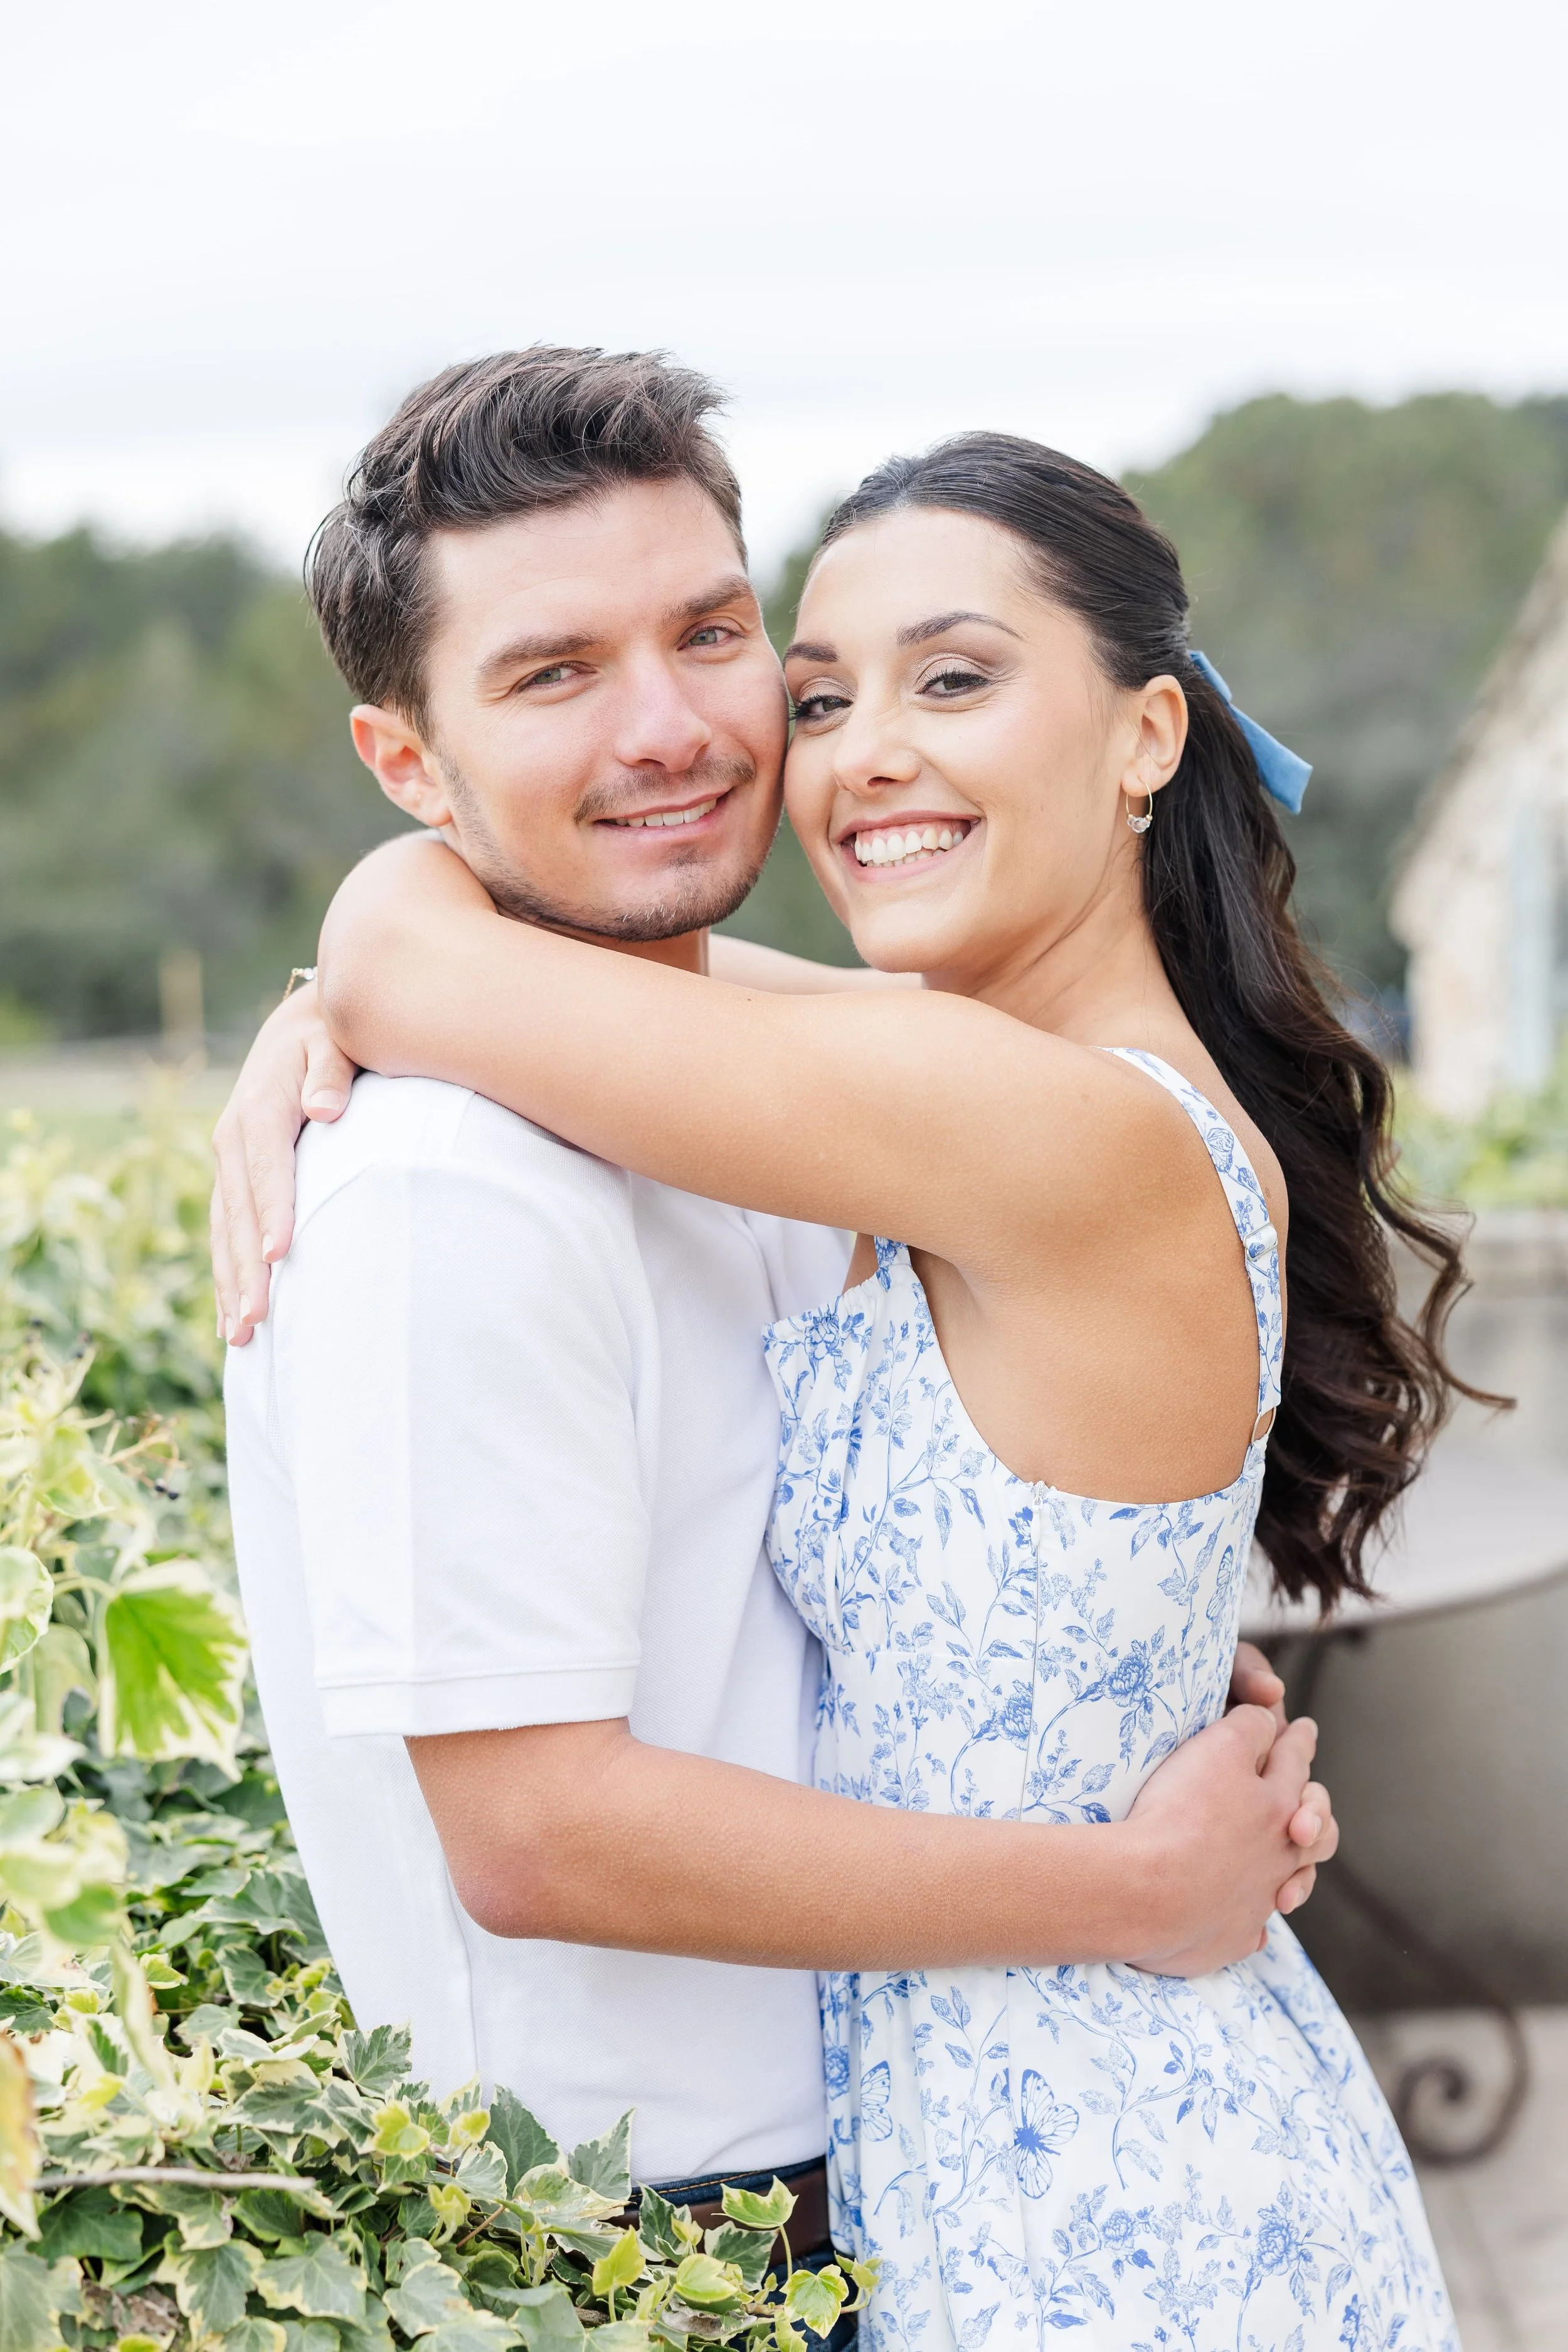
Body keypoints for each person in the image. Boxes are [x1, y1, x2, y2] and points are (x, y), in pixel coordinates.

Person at [213, 351, 1349, 2334]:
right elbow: (539, 1827)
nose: (721, 732)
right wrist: (375, 947)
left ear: (1147, 733)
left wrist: (393, 936)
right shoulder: (481, 1175)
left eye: (718, 640)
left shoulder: (954, 1111)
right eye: (830, 695)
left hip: (1068, 2176)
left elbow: (526, 960)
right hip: (684, 2213)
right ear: (408, 753)